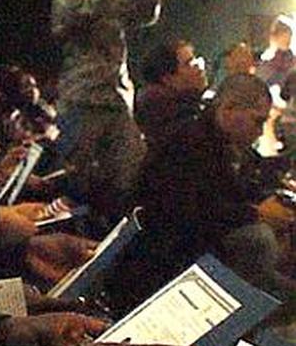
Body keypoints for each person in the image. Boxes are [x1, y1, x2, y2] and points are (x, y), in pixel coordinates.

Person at [114, 74, 294, 310]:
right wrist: (256, 213)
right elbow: (190, 215)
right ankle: (236, 315)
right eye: (257, 121)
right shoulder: (188, 142)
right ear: (228, 109)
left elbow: (237, 191)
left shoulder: (218, 140)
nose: (260, 132)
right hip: (162, 264)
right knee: (258, 239)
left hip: (193, 251)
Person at [51, 0, 161, 222]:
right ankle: (75, 231)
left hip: (115, 99)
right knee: (79, 176)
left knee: (130, 170)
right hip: (82, 100)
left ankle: (119, 228)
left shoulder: (112, 1)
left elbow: (147, 15)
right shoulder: (67, 2)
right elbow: (92, 9)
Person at [135, 39, 207, 146]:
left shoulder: (188, 105)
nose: (200, 69)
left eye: (196, 61)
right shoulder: (169, 115)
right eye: (189, 64)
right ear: (168, 79)